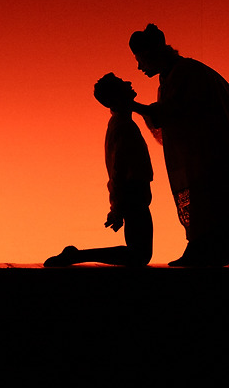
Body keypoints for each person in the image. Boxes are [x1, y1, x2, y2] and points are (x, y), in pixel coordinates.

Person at [128, 24, 229, 268]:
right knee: (214, 198)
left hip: (219, 148)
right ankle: (208, 250)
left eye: (140, 59)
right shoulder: (174, 75)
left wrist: (131, 105)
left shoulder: (185, 73)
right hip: (208, 149)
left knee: (226, 196)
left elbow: (170, 112)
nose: (139, 67)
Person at [44, 74, 154, 267]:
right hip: (133, 194)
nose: (129, 82)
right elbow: (117, 170)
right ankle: (76, 256)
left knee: (139, 254)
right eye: (122, 84)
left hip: (135, 193)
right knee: (139, 255)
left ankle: (76, 256)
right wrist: (117, 207)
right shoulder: (122, 126)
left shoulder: (122, 123)